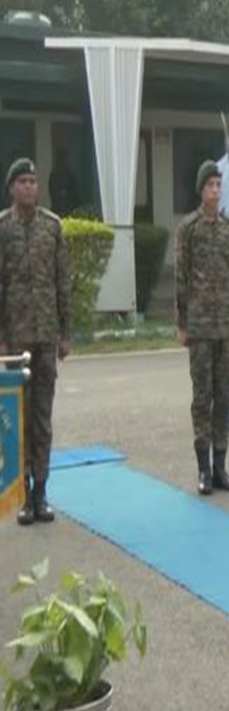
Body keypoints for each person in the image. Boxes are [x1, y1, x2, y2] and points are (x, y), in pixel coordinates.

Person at [0, 158, 69, 524]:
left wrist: (65, 334)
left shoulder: (51, 227)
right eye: (22, 181)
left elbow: (62, 283)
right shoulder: (3, 228)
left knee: (42, 416)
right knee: (19, 418)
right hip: (14, 341)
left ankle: (41, 492)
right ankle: (24, 494)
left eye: (33, 181)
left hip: (45, 338)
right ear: (11, 188)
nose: (29, 187)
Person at [176, 160, 229, 495]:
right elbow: (181, 278)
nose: (215, 191)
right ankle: (203, 469)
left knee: (224, 398)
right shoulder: (188, 229)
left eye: (219, 185)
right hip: (200, 328)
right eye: (210, 186)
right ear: (200, 190)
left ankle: (221, 466)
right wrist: (182, 323)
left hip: (225, 328)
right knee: (202, 398)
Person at [47, 149, 80, 216]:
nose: (64, 161)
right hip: (57, 208)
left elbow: (75, 192)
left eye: (65, 159)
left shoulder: (70, 174)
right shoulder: (54, 175)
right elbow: (52, 191)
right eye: (62, 159)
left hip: (70, 208)